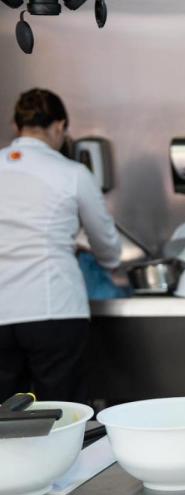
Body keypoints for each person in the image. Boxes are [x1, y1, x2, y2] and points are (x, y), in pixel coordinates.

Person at [0, 88, 121, 403]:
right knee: (64, 414)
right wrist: (106, 263)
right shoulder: (72, 173)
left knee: (5, 419)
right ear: (59, 127)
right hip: (53, 309)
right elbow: (106, 242)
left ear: (17, 127)